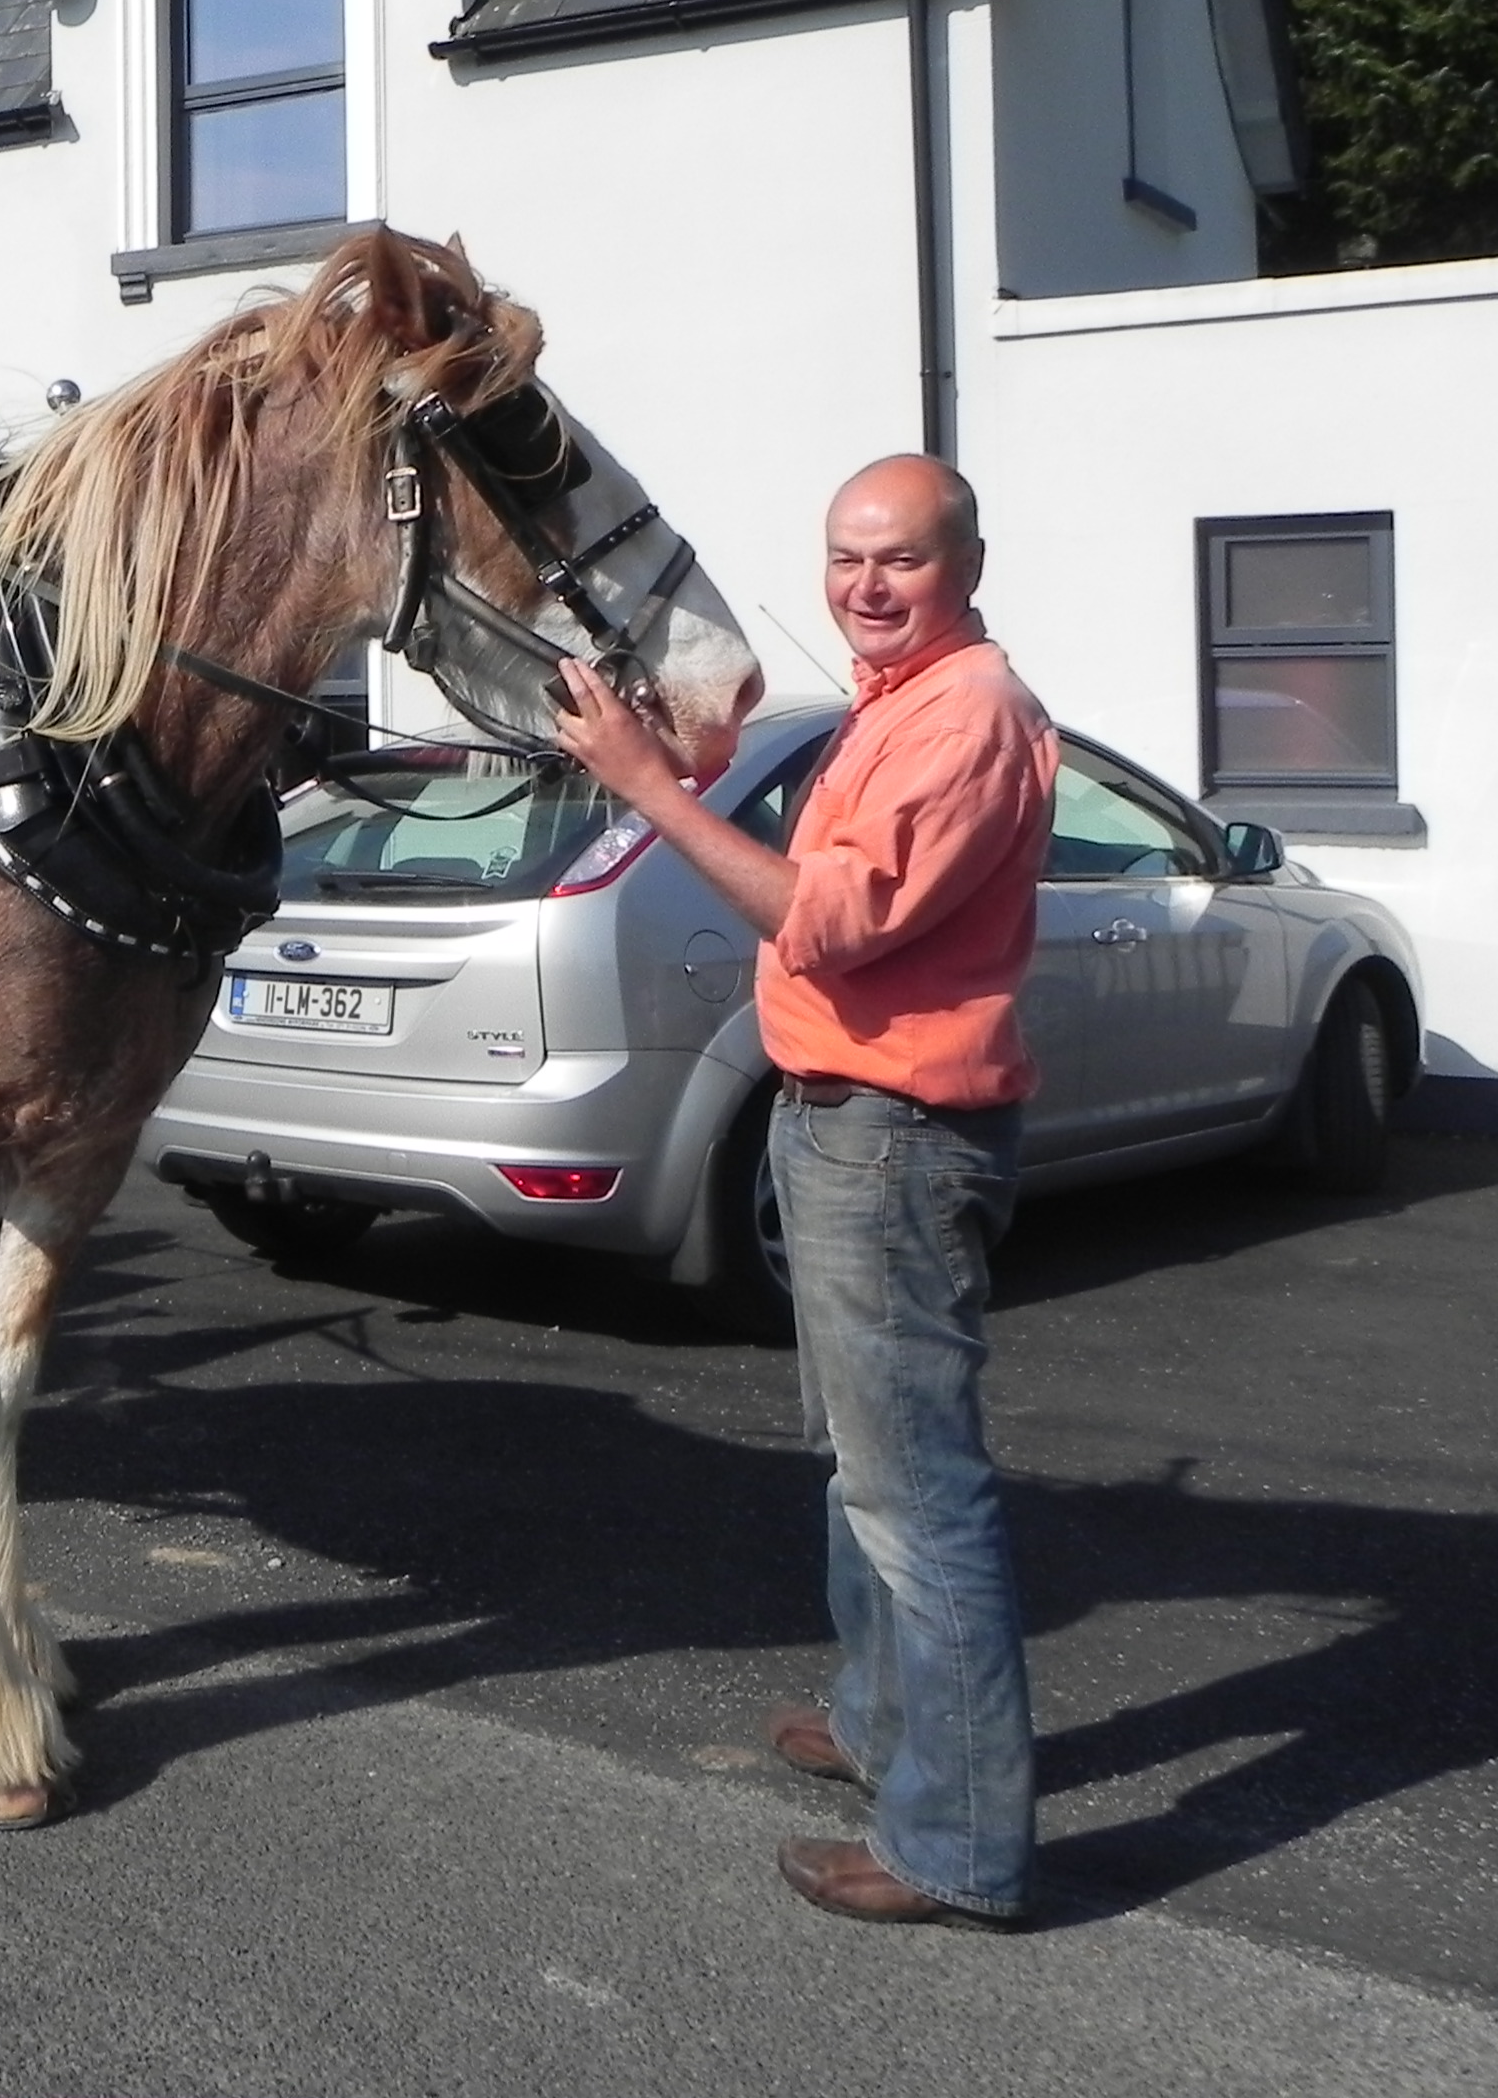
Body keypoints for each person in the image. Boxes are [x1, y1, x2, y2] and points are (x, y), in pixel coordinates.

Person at [548, 453, 1057, 1929]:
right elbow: (807, 854)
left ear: (964, 562)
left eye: (898, 559)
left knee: (918, 1498)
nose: (865, 584)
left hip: (894, 1139)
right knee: (861, 1464)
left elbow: (824, 922)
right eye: (846, 557)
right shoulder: (892, 706)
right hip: (837, 1122)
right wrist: (680, 754)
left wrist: (642, 792)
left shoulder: (968, 718)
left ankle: (957, 1846)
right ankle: (885, 1725)